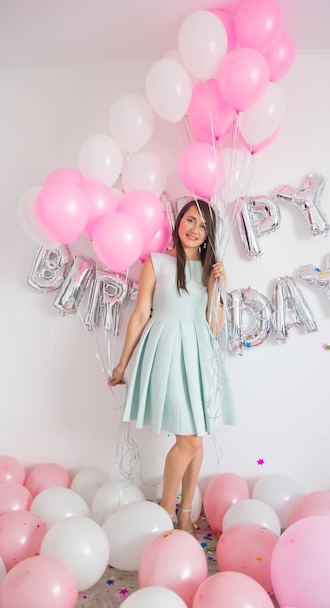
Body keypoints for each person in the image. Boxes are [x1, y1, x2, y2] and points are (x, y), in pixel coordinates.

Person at [110, 199, 236, 531]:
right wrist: (122, 364)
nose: (195, 230)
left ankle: (184, 513)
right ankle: (165, 510)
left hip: (198, 354)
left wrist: (215, 287)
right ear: (178, 222)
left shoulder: (212, 270)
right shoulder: (157, 263)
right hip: (165, 350)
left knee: (195, 437)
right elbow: (140, 315)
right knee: (190, 439)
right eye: (190, 221)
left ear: (209, 234)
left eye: (203, 225)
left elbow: (216, 325)